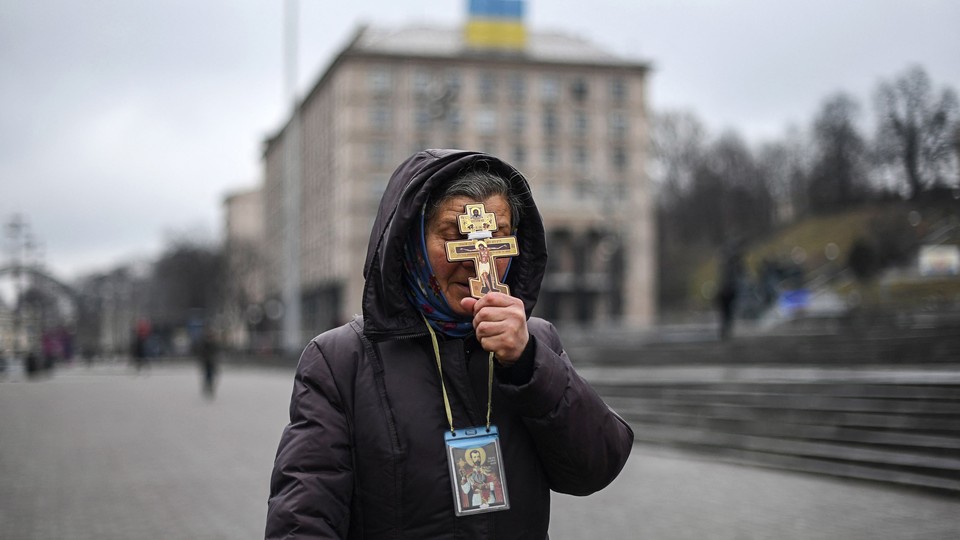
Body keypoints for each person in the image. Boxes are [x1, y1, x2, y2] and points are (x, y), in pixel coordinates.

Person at [266, 149, 634, 539]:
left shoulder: (536, 341)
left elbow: (596, 466)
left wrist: (529, 364)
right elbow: (304, 517)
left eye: (496, 239)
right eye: (456, 239)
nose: (479, 261)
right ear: (412, 242)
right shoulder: (341, 360)